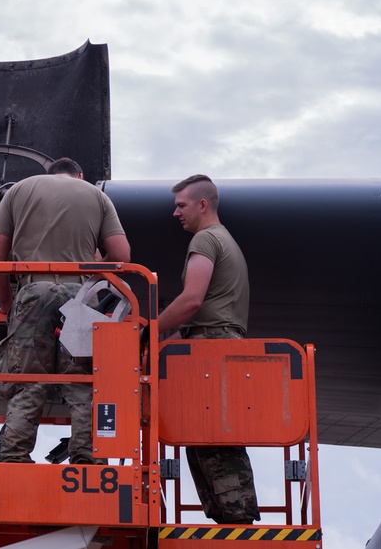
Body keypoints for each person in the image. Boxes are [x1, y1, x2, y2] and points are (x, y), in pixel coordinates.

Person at [0, 157, 131, 463]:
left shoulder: (18, 191)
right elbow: (121, 255)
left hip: (33, 289)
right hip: (80, 295)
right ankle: (88, 458)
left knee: (26, 381)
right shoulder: (97, 195)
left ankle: (13, 457)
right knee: (82, 382)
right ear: (79, 175)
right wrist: (93, 266)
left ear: (48, 175)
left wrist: (6, 304)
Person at [157, 174, 260, 525]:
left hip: (211, 350)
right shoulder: (225, 240)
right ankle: (232, 517)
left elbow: (191, 300)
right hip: (214, 343)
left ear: (202, 205)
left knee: (212, 434)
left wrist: (149, 332)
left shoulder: (205, 240)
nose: (176, 213)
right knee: (206, 434)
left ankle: (236, 518)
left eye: (181, 205)